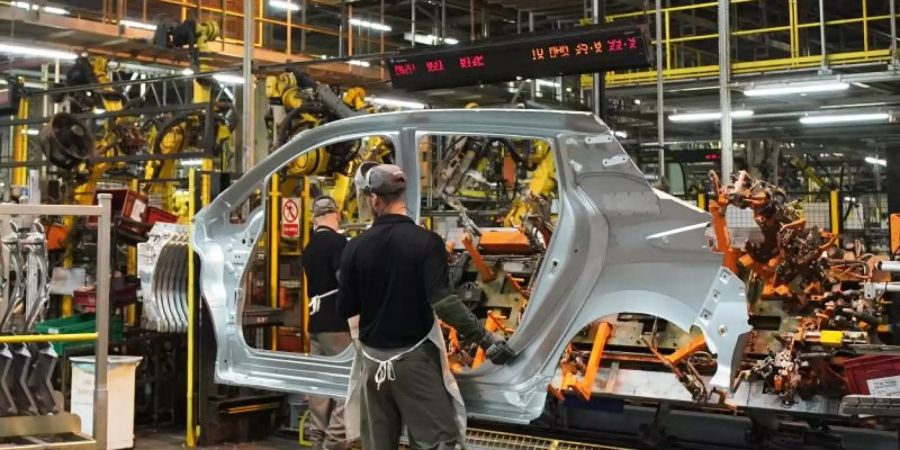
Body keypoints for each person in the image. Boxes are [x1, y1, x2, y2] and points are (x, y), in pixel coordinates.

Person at [337, 163, 515, 450]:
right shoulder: (426, 242)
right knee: (438, 442)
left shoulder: (354, 248)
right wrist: (486, 339)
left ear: (373, 199)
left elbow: (345, 308)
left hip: (371, 365)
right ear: (402, 196)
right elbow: (444, 304)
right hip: (414, 362)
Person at [301, 196, 352, 450]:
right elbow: (346, 282)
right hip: (337, 324)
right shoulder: (338, 243)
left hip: (316, 323)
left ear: (315, 218)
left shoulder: (309, 247)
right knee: (347, 384)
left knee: (319, 385)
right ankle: (334, 442)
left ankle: (317, 439)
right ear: (336, 215)